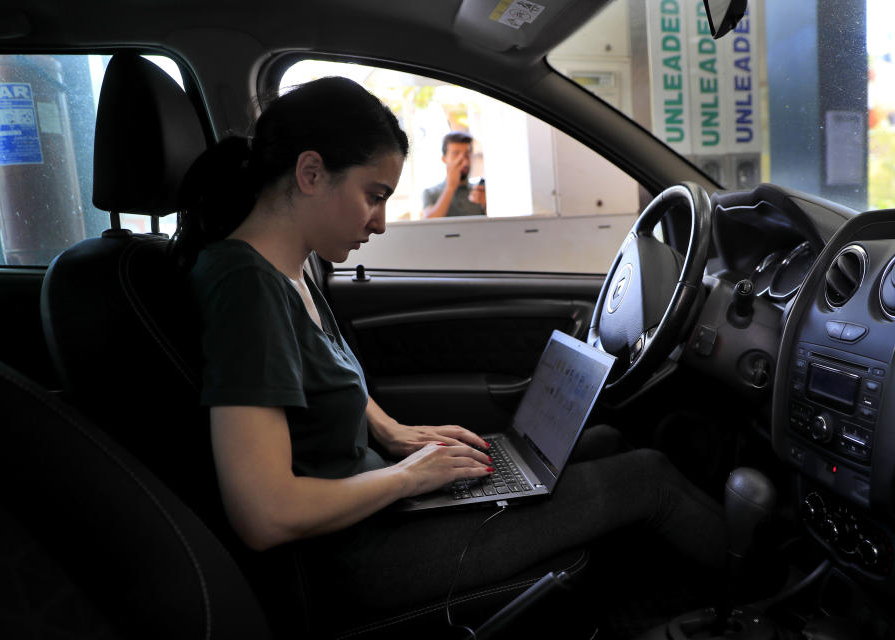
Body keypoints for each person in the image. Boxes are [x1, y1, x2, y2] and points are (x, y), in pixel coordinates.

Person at [173, 76, 724, 631]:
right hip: (355, 557)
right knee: (648, 477)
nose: (380, 222)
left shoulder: (290, 268)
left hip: (378, 510)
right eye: (374, 195)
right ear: (311, 173)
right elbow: (264, 514)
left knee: (606, 441)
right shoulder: (246, 287)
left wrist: (394, 434)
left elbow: (320, 375)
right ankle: (770, 599)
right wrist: (409, 477)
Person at [422, 131, 486, 218]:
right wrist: (450, 187)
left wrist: (486, 205)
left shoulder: (480, 192)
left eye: (467, 154)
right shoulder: (431, 193)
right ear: (444, 159)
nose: (463, 161)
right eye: (456, 154)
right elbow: (429, 225)